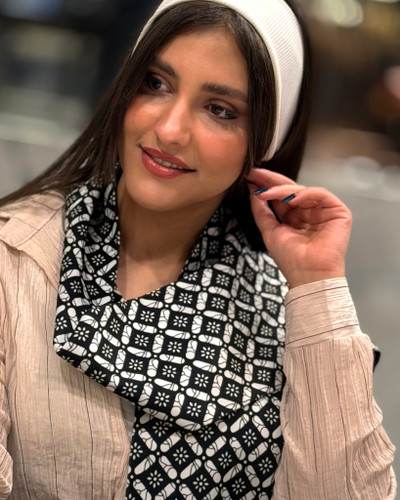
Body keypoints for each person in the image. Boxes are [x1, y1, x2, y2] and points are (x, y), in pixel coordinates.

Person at [0, 0, 396, 498]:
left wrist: (317, 285)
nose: (169, 130)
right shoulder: (17, 256)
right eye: (155, 84)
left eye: (220, 110)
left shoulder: (283, 304)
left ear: (263, 142)